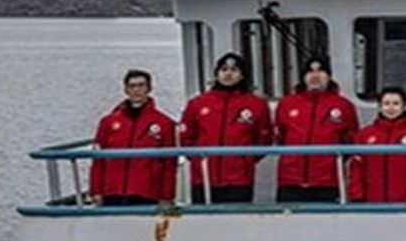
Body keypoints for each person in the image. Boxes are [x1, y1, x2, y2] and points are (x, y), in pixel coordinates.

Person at [179, 53, 271, 203]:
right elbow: (186, 137)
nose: (228, 74)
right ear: (217, 74)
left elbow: (263, 139)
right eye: (224, 69)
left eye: (234, 70)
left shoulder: (256, 105)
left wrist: (244, 160)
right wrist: (198, 159)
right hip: (204, 176)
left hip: (239, 178)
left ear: (242, 75)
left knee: (237, 216)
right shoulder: (198, 103)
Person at [273, 55, 360, 203]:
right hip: (290, 180)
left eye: (320, 71)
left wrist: (331, 161)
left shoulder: (343, 106)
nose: (315, 76)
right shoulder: (287, 104)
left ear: (329, 76)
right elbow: (280, 137)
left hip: (328, 181)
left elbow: (351, 140)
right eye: (310, 71)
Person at [89, 69, 177, 206]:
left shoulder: (164, 123)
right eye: (132, 86)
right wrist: (96, 190)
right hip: (113, 191)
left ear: (149, 88)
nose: (136, 90)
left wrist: (167, 195)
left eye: (141, 85)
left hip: (146, 192)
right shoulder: (108, 122)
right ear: (126, 90)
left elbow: (169, 164)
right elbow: (98, 161)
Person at [347, 87, 406, 203]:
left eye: (396, 104)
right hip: (371, 202)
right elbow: (357, 169)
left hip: (405, 203)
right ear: (380, 106)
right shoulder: (364, 135)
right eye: (386, 103)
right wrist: (357, 196)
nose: (391, 108)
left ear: (403, 106)